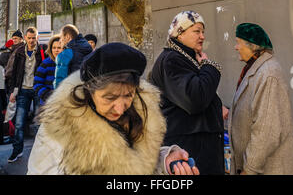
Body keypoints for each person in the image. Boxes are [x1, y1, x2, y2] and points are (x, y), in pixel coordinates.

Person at [27, 42, 200, 175]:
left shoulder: (138, 115)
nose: (120, 107)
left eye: (128, 95)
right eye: (110, 98)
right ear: (90, 93)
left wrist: (164, 160)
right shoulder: (58, 127)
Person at [150, 10, 226, 175]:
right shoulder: (172, 59)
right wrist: (208, 67)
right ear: (180, 34)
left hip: (196, 150)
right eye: (196, 31)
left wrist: (216, 106)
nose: (202, 37)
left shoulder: (186, 58)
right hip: (188, 153)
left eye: (203, 32)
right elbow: (195, 99)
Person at [228, 23, 293, 175]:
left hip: (269, 168)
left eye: (238, 42)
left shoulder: (268, 74)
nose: (236, 47)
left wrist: (249, 169)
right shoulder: (255, 68)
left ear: (252, 46)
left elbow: (267, 131)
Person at [7, 27, 44, 163]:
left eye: (34, 38)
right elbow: (15, 73)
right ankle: (17, 150)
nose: (31, 40)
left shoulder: (42, 51)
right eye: (29, 38)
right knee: (19, 123)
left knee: (39, 123)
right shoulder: (20, 52)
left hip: (37, 90)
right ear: (25, 38)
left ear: (37, 38)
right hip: (22, 90)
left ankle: (41, 152)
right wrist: (12, 91)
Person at [54, 24, 92, 89]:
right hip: (88, 90)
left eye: (61, 37)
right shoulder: (89, 50)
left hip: (71, 92)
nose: (60, 40)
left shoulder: (65, 54)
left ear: (68, 37)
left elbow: (59, 81)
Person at [34, 35, 62, 105]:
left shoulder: (69, 63)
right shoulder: (46, 63)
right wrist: (46, 95)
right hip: (47, 104)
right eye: (54, 48)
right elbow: (37, 82)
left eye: (59, 48)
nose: (56, 50)